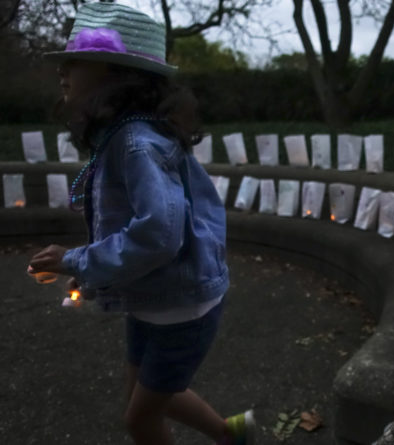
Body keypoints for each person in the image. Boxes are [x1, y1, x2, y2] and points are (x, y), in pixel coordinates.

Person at [28, 3, 253, 444]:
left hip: (179, 305)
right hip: (152, 296)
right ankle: (229, 434)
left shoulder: (135, 143)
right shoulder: (123, 135)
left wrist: (75, 260)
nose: (63, 70)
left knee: (139, 419)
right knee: (144, 396)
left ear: (115, 74)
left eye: (75, 60)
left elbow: (159, 233)